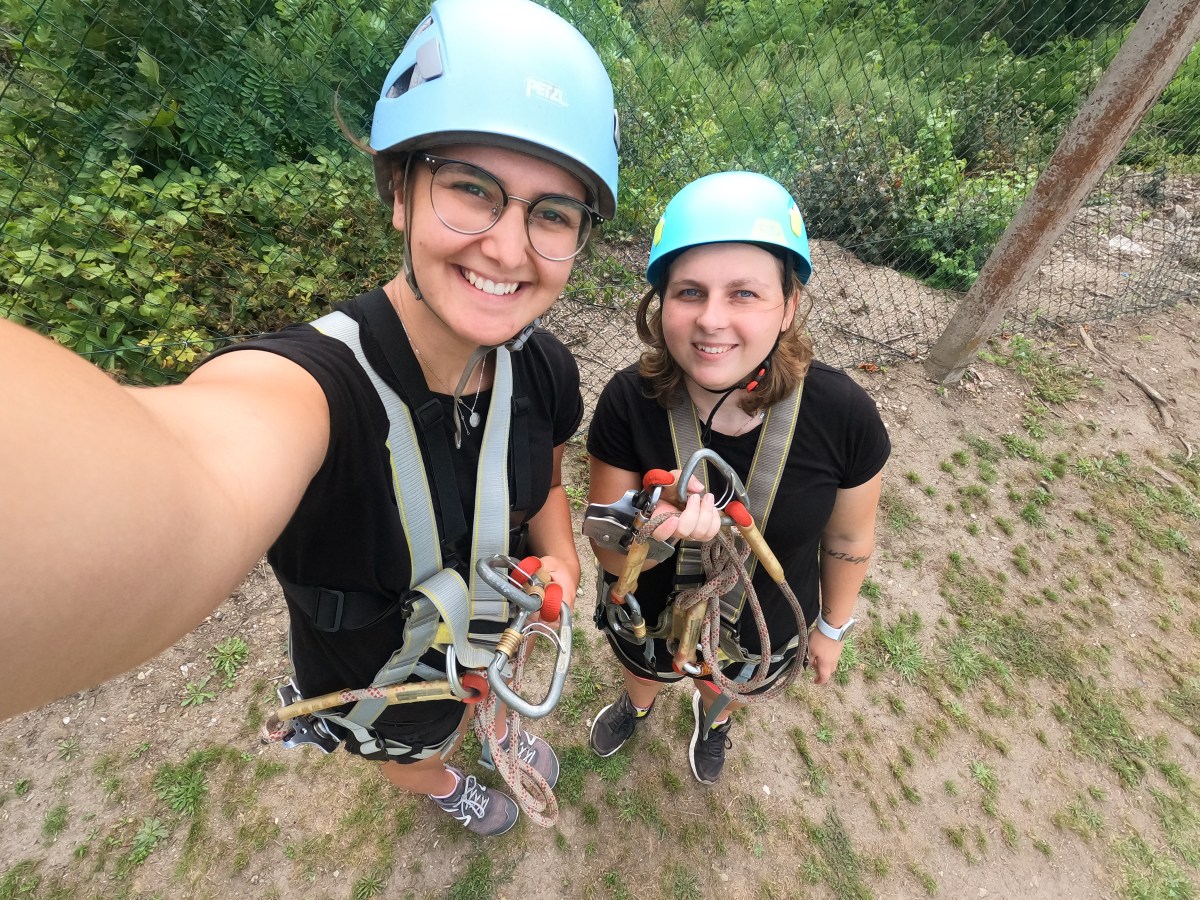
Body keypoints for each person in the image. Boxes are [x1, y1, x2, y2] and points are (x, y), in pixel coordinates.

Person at [0, 0, 619, 836]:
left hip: (492, 641)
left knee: (478, 707)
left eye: (552, 214)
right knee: (410, 749)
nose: (509, 249)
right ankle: (441, 784)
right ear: (400, 191)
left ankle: (497, 724)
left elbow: (541, 474)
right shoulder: (310, 392)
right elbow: (194, 468)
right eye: (472, 190)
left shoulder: (543, 369)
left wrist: (560, 559)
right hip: (380, 683)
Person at [585, 171, 889, 785]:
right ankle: (638, 703)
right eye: (689, 292)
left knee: (730, 677)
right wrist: (651, 528)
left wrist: (831, 628)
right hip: (648, 606)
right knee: (644, 662)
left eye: (744, 294)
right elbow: (607, 549)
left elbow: (849, 541)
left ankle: (713, 718)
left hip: (764, 618)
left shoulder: (842, 416)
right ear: (661, 302)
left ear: (789, 306)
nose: (711, 321)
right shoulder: (628, 401)